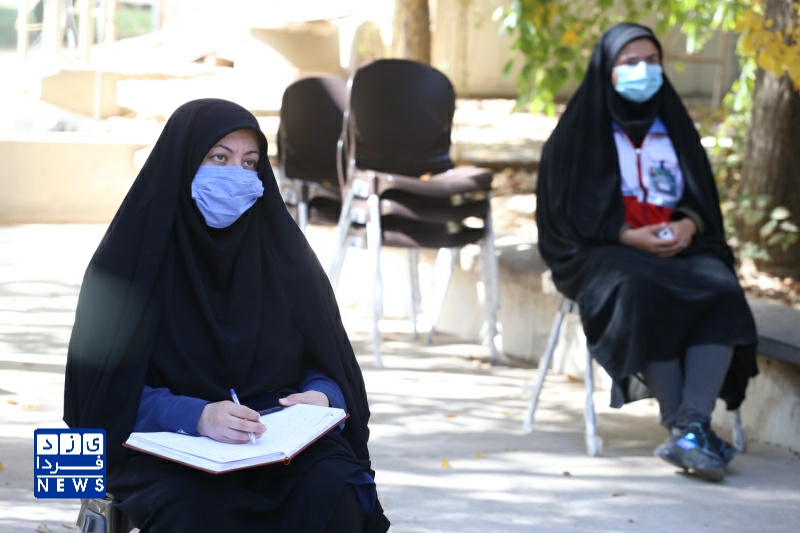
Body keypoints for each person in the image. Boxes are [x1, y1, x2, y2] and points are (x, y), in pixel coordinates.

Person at [63, 98, 391, 531]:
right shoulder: (127, 265)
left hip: (276, 442)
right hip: (167, 448)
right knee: (196, 509)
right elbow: (96, 397)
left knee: (337, 489)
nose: (237, 175)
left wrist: (322, 394)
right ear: (182, 163)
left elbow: (327, 361)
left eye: (250, 162)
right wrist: (195, 416)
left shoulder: (284, 258)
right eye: (219, 157)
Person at [535, 23, 759, 482]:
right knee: (639, 287)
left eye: (652, 61)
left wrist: (688, 224)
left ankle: (689, 426)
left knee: (721, 286)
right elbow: (565, 212)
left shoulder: (672, 123)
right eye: (631, 62)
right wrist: (625, 235)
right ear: (607, 69)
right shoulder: (579, 132)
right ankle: (688, 428)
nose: (644, 70)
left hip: (677, 244)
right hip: (602, 249)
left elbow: (700, 197)